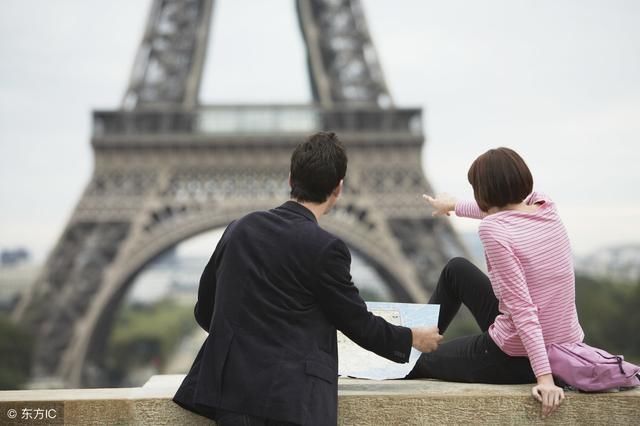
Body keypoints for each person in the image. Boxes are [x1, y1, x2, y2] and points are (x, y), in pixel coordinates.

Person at [172, 131, 442, 426]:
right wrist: (412, 338)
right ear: (338, 189)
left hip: (232, 396)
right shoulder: (326, 248)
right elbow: (358, 323)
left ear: (291, 179)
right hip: (291, 402)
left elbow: (205, 309)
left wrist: (247, 343)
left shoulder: (240, 228)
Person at [410, 147, 584, 419]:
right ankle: (423, 337)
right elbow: (502, 209)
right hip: (562, 344)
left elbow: (524, 311)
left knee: (420, 363)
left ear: (484, 192)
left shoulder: (493, 229)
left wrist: (545, 379)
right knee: (457, 268)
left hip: (517, 357)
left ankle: (412, 352)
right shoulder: (545, 206)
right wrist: (454, 205)